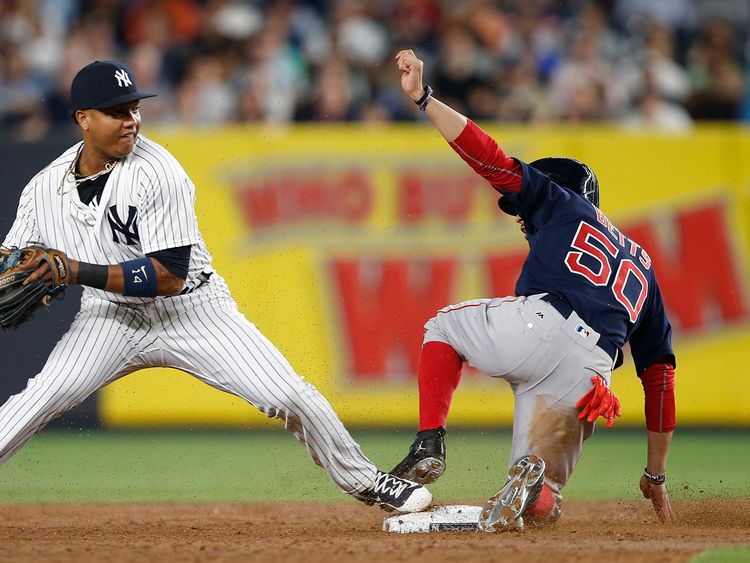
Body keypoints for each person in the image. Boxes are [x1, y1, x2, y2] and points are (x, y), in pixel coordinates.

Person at [0, 60, 432, 515]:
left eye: (133, 108)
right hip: (109, 316)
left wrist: (72, 271)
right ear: (83, 119)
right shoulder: (42, 189)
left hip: (194, 311)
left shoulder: (158, 171)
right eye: (116, 112)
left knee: (287, 395)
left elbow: (169, 276)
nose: (131, 120)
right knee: (39, 397)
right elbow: (12, 262)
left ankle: (369, 480)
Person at [390, 49, 676, 531]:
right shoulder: (643, 266)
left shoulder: (558, 201)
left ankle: (429, 442)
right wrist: (656, 473)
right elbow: (660, 377)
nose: (520, 219)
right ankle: (534, 490)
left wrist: (425, 99)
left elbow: (489, 156)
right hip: (590, 376)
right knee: (543, 504)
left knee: (442, 327)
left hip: (542, 326)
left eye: (520, 211)